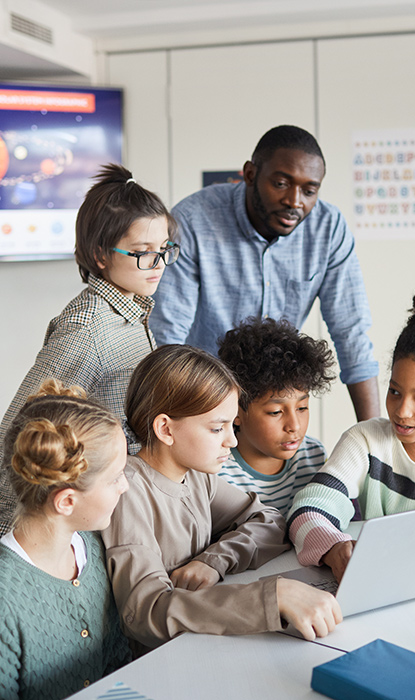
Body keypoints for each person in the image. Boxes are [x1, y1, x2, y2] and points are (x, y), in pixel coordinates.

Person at [102, 345, 342, 650]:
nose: (231, 440)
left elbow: (268, 520)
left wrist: (213, 561)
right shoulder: (128, 491)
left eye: (231, 425)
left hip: (202, 643)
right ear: (165, 428)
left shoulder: (196, 475)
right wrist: (272, 597)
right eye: (217, 428)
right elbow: (147, 612)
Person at [149, 124, 379, 423]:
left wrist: (373, 438)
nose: (295, 201)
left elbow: (351, 332)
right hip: (202, 398)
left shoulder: (328, 228)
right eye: (281, 184)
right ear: (250, 174)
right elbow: (167, 337)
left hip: (275, 409)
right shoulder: (193, 220)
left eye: (309, 191)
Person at [287, 270, 415, 582]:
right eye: (395, 391)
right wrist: (333, 547)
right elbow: (308, 509)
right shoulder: (365, 440)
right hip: (384, 585)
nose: (402, 411)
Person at [0, 164, 179, 536]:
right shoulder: (86, 328)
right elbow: (21, 430)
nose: (158, 264)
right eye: (143, 252)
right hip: (85, 510)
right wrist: (7, 543)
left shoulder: (134, 310)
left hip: (123, 499)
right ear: (100, 255)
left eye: (164, 249)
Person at [0, 379, 131, 700]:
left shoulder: (94, 548)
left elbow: (118, 663)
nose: (125, 486)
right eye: (115, 478)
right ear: (66, 501)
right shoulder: (5, 599)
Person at [217, 317, 335, 516]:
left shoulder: (313, 456)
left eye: (302, 408)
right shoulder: (217, 473)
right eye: (276, 412)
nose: (294, 426)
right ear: (235, 411)